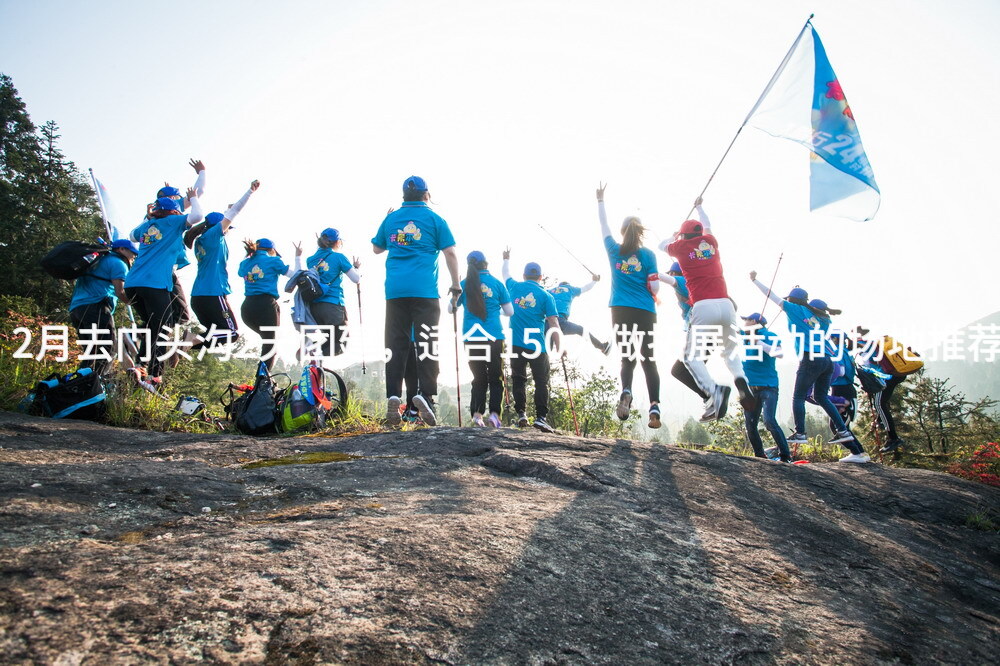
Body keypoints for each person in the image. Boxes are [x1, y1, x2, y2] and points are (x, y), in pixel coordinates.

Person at [749, 274, 870, 463]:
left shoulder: (794, 309)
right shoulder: (821, 318)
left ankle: (800, 433)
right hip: (826, 361)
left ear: (792, 300)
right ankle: (843, 431)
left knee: (798, 397)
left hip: (809, 358)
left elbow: (771, 295)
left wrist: (755, 281)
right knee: (820, 396)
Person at [372, 176, 460, 427]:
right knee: (427, 341)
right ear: (426, 195)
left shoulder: (391, 219)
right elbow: (451, 252)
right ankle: (426, 395)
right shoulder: (435, 219)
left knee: (396, 344)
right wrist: (456, 284)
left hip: (396, 291)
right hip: (425, 291)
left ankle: (392, 395)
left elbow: (377, 249)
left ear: (403, 195)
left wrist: (387, 220)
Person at [663, 197, 753, 423]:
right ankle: (740, 380)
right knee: (729, 352)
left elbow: (660, 245)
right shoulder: (711, 242)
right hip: (726, 305)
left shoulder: (681, 250)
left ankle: (715, 393)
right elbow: (708, 225)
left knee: (689, 360)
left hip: (704, 308)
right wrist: (701, 207)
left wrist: (675, 237)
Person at [596, 184, 662, 428]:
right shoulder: (649, 255)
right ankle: (654, 406)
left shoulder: (614, 250)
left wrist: (600, 200)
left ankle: (626, 390)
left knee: (628, 358)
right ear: (640, 232)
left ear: (623, 232)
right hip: (645, 310)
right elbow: (655, 288)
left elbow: (604, 228)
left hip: (620, 310)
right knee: (649, 359)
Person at [123, 188, 204, 381]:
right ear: (174, 211)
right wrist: (193, 197)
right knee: (164, 326)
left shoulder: (147, 225)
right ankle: (155, 374)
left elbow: (131, 236)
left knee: (153, 325)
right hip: (154, 283)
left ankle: (140, 365)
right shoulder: (173, 222)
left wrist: (149, 216)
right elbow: (198, 215)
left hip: (133, 283)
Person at [184, 180, 260, 350]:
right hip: (212, 292)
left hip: (198, 297)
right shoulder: (213, 235)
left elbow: (229, 211)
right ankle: (188, 340)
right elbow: (234, 212)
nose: (227, 229)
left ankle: (182, 345)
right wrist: (250, 192)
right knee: (231, 333)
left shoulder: (201, 240)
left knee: (214, 337)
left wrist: (228, 208)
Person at [450, 251, 513, 427]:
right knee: (495, 377)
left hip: (471, 338)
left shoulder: (464, 284)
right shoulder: (497, 284)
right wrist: (494, 310)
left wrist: (456, 296)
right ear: (486, 263)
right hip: (494, 337)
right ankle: (494, 415)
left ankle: (477, 415)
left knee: (478, 378)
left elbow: (451, 308)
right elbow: (510, 312)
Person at [502, 252, 560, 432]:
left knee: (519, 380)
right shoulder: (546, 296)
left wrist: (506, 258)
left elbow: (505, 274)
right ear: (540, 277)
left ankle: (522, 414)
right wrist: (560, 345)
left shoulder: (514, 287)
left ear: (524, 275)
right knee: (541, 381)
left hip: (516, 344)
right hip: (537, 346)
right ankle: (541, 418)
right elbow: (554, 322)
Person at [69, 239, 138, 374]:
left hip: (76, 309)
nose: (134, 256)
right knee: (107, 349)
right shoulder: (118, 263)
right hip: (96, 307)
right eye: (132, 253)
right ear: (122, 249)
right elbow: (120, 292)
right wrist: (135, 303)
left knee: (92, 353)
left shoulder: (96, 260)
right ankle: (94, 384)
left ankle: (78, 385)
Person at [238, 238, 302, 370]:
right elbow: (295, 275)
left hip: (247, 308)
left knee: (267, 342)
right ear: (272, 250)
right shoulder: (274, 261)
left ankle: (261, 377)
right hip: (266, 306)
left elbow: (241, 273)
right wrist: (298, 257)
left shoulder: (244, 263)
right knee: (270, 344)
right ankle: (262, 380)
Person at [740, 313, 791, 463]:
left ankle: (785, 456)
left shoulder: (769, 335)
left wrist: (758, 341)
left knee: (769, 421)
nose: (744, 323)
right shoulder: (746, 334)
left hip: (768, 387)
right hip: (749, 388)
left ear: (754, 321)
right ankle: (759, 456)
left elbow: (779, 353)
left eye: (746, 320)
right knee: (750, 424)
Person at [307, 227, 361, 359]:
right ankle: (313, 356)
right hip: (333, 306)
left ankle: (315, 362)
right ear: (337, 242)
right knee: (341, 343)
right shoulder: (339, 257)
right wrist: (356, 268)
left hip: (314, 307)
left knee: (328, 341)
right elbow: (356, 279)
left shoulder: (310, 260)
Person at [547, 276, 611, 354]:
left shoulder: (549, 291)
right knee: (581, 330)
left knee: (547, 347)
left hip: (547, 322)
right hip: (561, 320)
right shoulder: (570, 289)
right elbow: (585, 288)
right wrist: (594, 281)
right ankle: (602, 347)